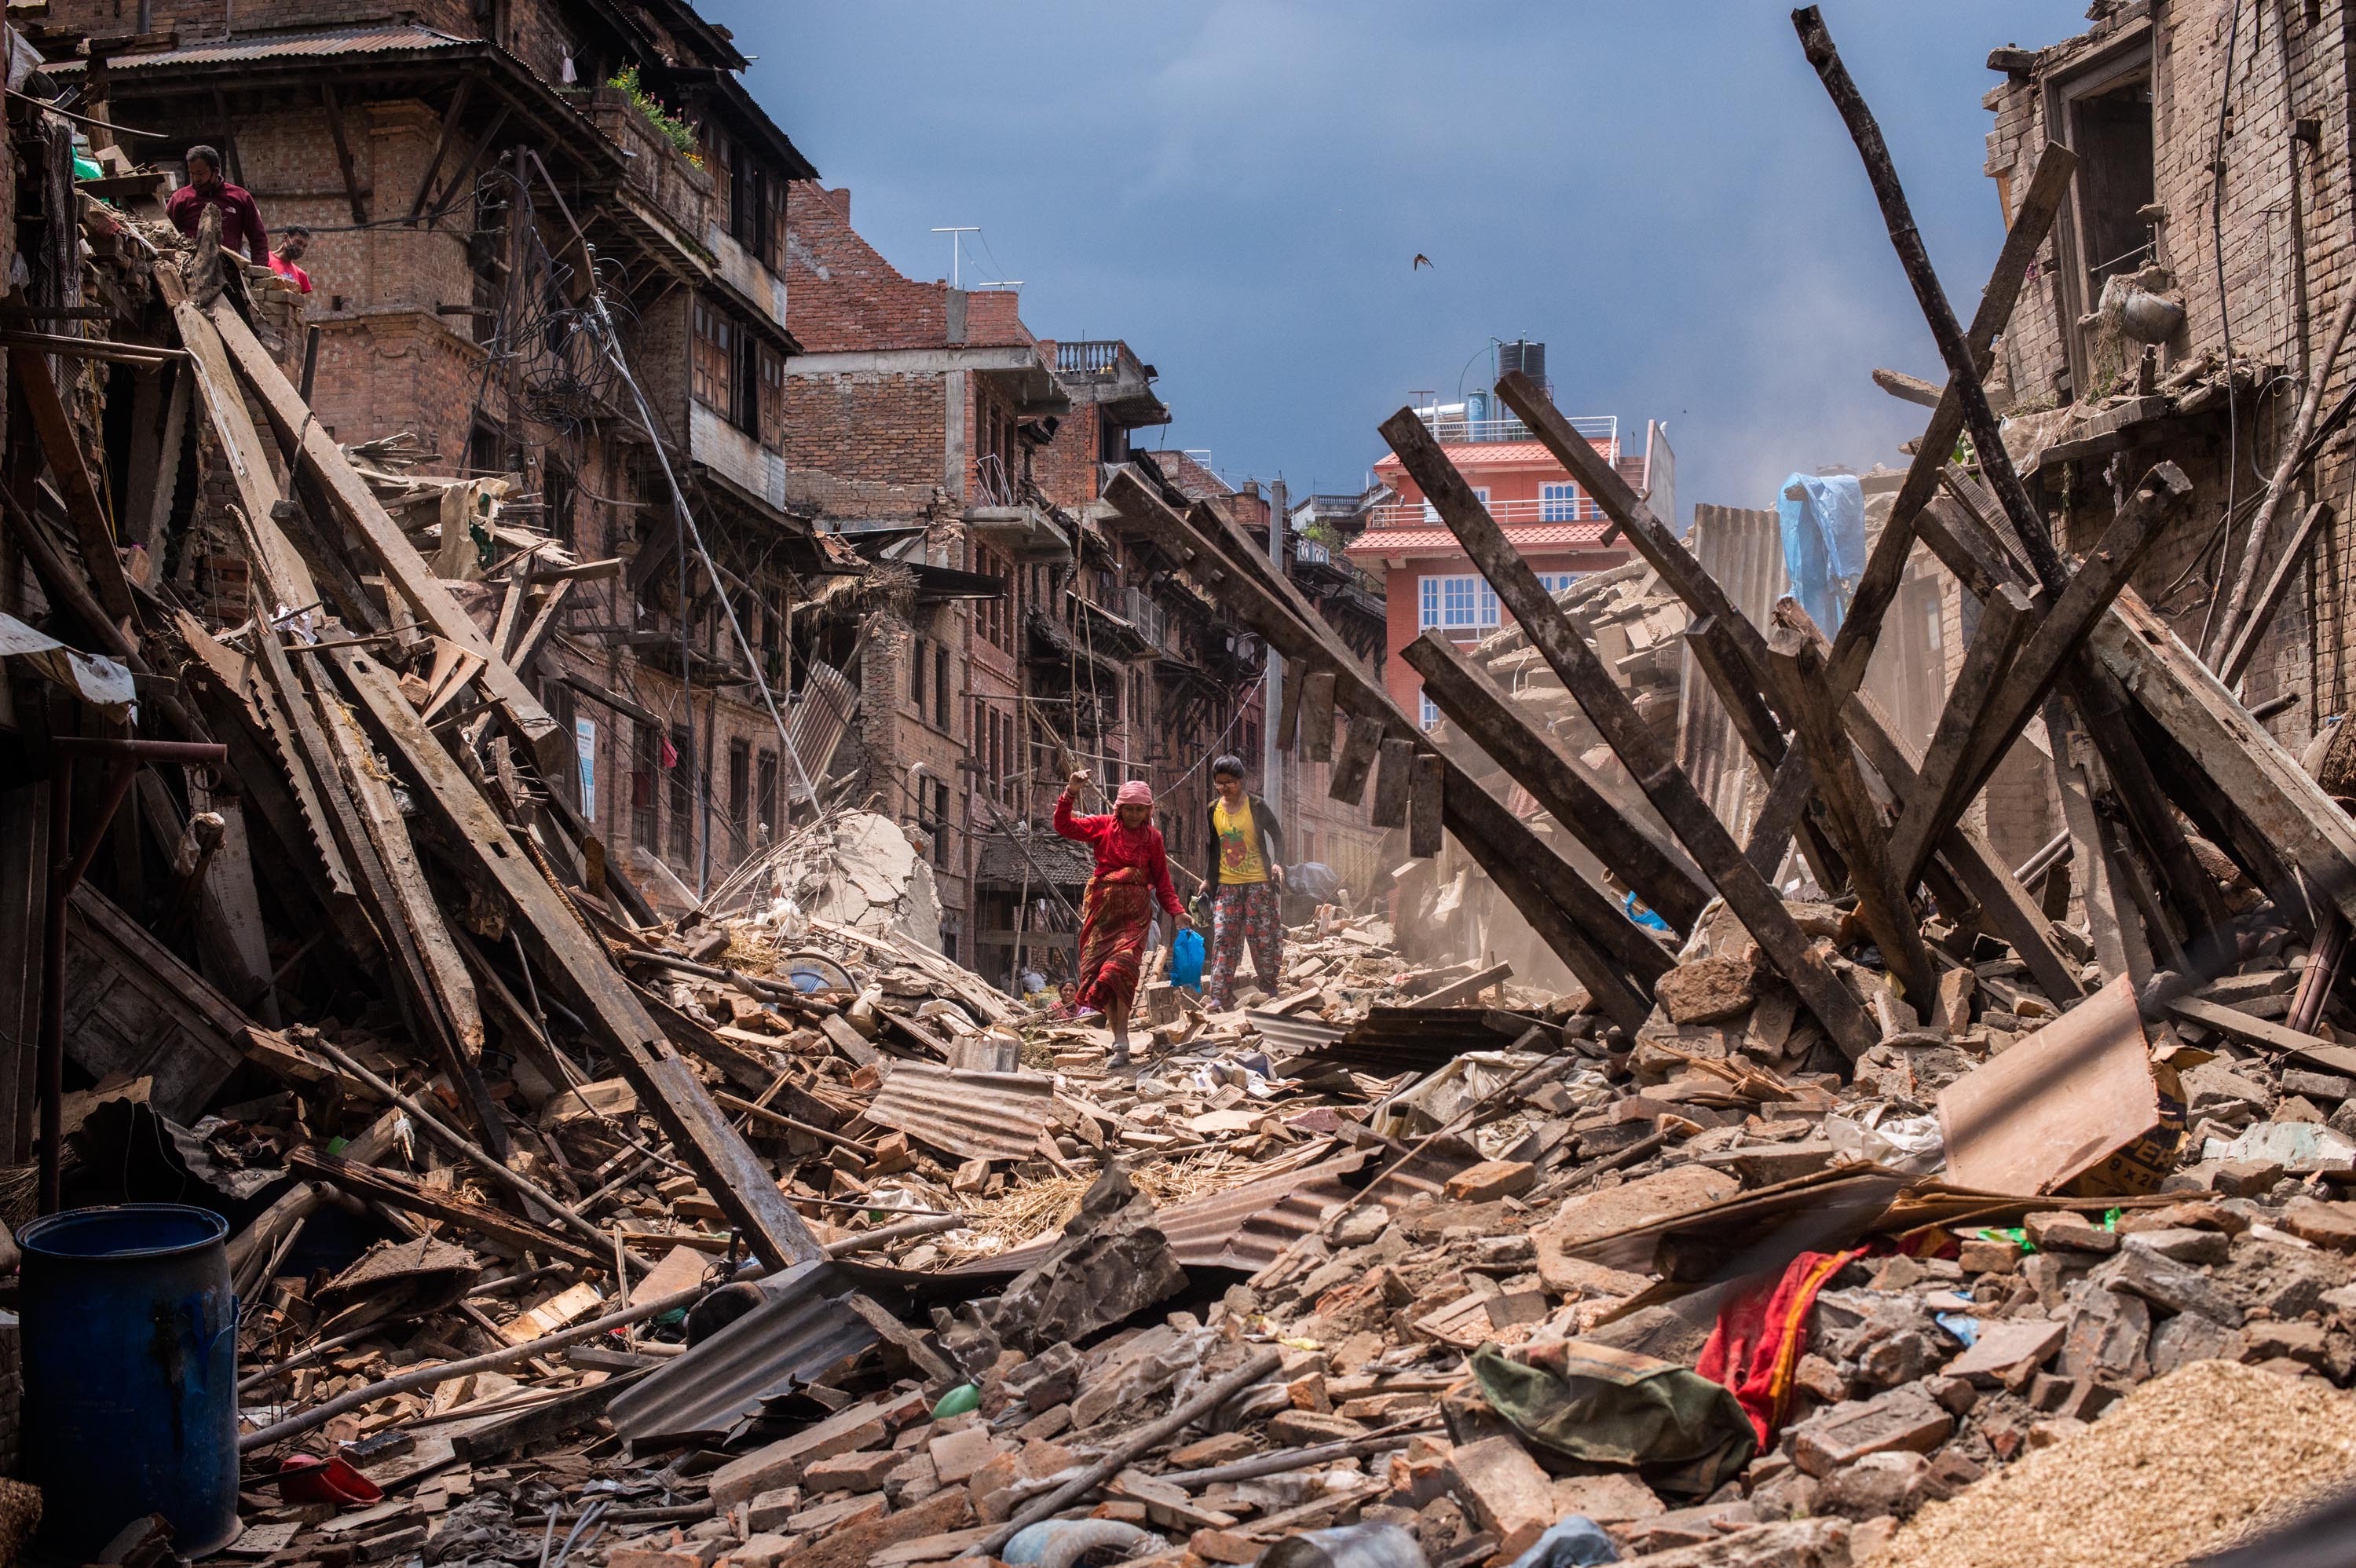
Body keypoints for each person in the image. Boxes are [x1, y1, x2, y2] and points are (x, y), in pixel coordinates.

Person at [1053, 771, 1187, 1065]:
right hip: (1102, 916)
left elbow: (1163, 882)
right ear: (1120, 808)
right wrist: (1071, 792)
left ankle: (1122, 1040)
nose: (1135, 815)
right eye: (1130, 809)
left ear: (1149, 810)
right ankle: (1120, 1043)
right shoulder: (1102, 826)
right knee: (1104, 980)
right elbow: (1063, 826)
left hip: (1134, 918)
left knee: (1121, 969)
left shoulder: (1153, 839)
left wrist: (1177, 912)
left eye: (1141, 809)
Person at [1202, 754, 1286, 1011]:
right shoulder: (1213, 809)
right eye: (1220, 783)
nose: (1225, 788)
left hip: (1258, 883)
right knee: (1224, 937)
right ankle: (1220, 994)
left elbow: (1278, 836)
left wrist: (1278, 863)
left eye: (1230, 782)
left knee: (1261, 936)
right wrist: (1208, 880)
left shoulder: (1257, 806)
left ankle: (1269, 985)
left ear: (1241, 781)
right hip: (1227, 887)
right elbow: (1215, 848)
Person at [166, 144, 269, 266]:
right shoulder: (181, 198)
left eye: (200, 173)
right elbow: (168, 236)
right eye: (191, 173)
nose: (195, 179)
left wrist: (259, 270)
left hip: (231, 272)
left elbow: (258, 238)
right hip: (190, 271)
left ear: (215, 171)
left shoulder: (240, 197)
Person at [270, 225, 313, 294]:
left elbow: (298, 303)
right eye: (299, 242)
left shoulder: (301, 275)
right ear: (286, 237)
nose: (301, 248)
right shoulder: (264, 259)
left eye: (305, 246)